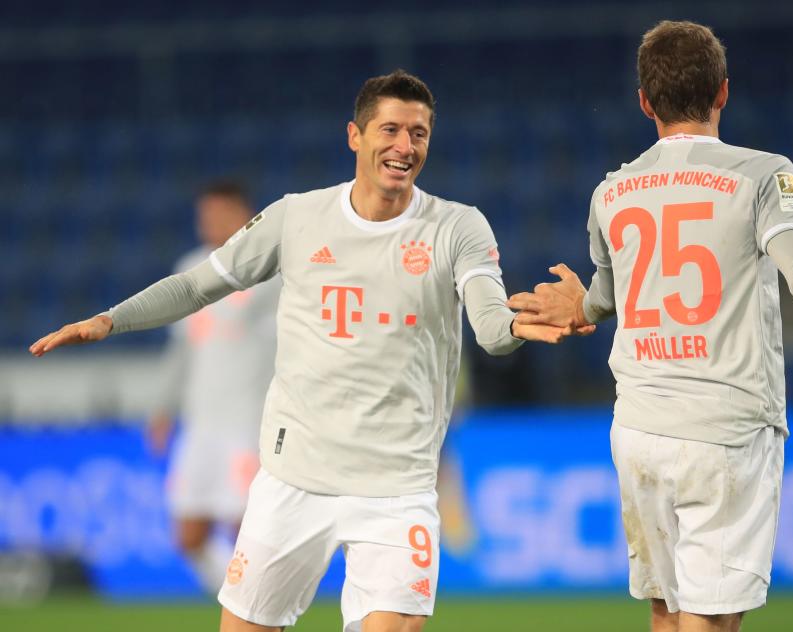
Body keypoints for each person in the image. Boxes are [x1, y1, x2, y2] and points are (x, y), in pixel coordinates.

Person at [30, 70, 578, 632]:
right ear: (354, 136)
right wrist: (108, 320)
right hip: (294, 479)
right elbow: (197, 286)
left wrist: (517, 323)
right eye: (390, 130)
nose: (405, 146)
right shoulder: (296, 217)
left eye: (419, 133)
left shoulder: (457, 226)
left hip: (396, 487)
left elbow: (489, 323)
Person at [508, 20, 793, 632]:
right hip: (725, 432)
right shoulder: (763, 175)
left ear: (644, 103)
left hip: (638, 430)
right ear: (722, 92)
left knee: (666, 615)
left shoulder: (611, 192)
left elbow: (607, 298)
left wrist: (579, 308)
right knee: (709, 621)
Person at [146, 181, 280, 594]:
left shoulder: (269, 269)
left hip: (249, 422)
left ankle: (256, 608)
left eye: (220, 213)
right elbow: (182, 350)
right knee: (189, 536)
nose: (210, 222)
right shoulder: (189, 266)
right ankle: (243, 601)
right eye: (205, 214)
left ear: (245, 215)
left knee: (246, 530)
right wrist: (163, 408)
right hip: (201, 424)